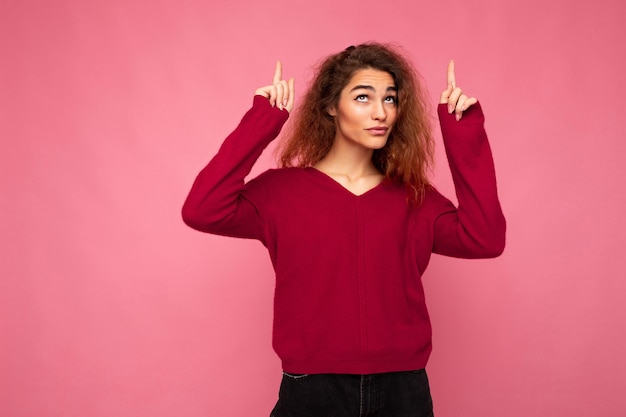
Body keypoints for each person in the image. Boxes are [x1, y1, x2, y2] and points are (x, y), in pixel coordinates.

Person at [182, 43, 505, 417]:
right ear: (331, 106)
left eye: (390, 98)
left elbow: (485, 238)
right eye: (363, 97)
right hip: (313, 389)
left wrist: (463, 134)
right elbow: (202, 210)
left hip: (404, 389)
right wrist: (261, 122)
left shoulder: (415, 196)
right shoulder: (279, 192)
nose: (381, 112)